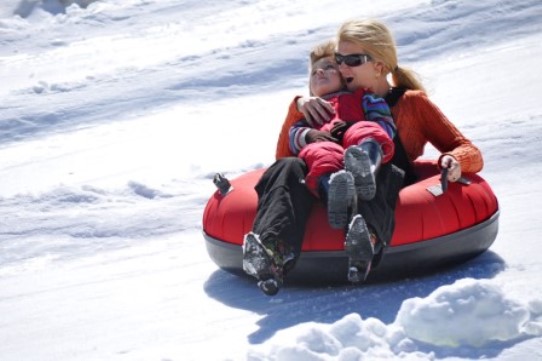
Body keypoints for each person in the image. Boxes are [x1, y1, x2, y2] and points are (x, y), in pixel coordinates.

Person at [243, 19, 483, 295]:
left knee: (384, 165)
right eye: (339, 59)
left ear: (379, 66)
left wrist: (453, 160)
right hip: (324, 181)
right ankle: (272, 250)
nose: (342, 68)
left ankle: (365, 236)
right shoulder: (330, 104)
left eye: (353, 60)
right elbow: (284, 158)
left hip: (382, 190)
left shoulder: (411, 103)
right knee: (288, 166)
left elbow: (468, 150)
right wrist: (298, 107)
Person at [288, 39, 395, 229]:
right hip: (327, 145)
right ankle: (336, 194)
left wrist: (372, 133)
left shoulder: (362, 96)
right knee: (321, 154)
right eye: (314, 73)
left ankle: (365, 170)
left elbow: (384, 123)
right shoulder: (309, 110)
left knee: (363, 130)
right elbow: (294, 135)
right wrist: (310, 136)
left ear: (343, 77)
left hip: (356, 142)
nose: (320, 72)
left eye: (329, 67)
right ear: (311, 88)